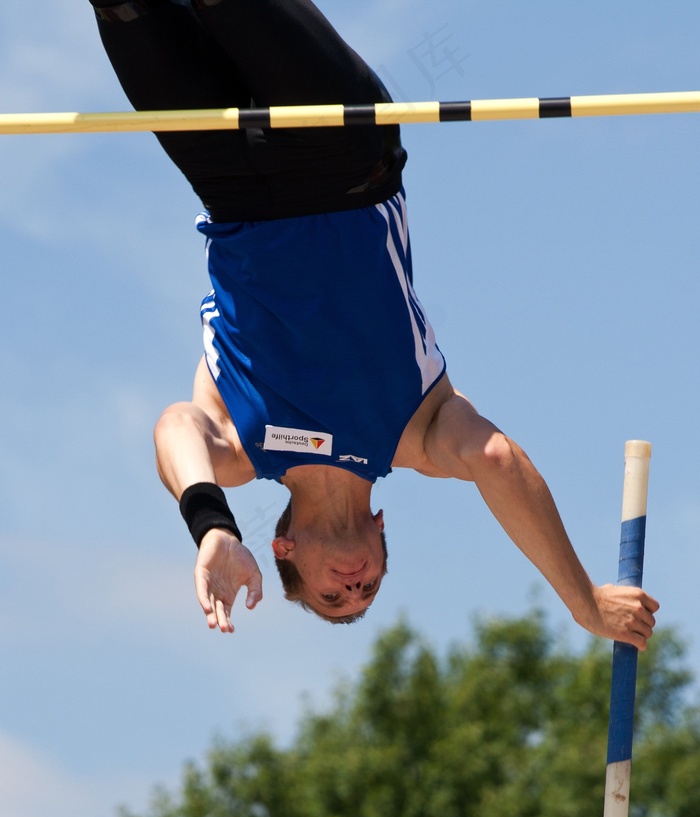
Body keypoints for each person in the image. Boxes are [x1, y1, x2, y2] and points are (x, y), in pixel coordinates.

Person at [90, 0, 659, 643]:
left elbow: (174, 427)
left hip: (231, 184)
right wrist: (584, 602)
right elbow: (497, 459)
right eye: (369, 586)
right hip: (343, 166)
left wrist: (213, 527)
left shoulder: (244, 454)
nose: (355, 582)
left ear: (283, 551)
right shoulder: (418, 437)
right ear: (384, 538)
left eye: (333, 593)